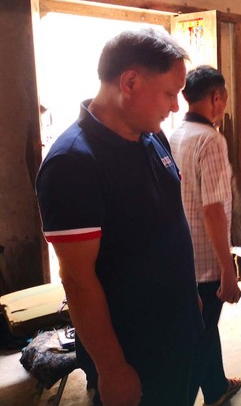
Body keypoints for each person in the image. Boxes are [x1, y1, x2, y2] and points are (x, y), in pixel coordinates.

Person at [36, 28, 203, 406]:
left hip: (178, 332)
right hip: (134, 350)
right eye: (170, 93)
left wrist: (187, 293)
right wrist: (111, 367)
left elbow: (167, 224)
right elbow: (78, 280)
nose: (176, 107)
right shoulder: (73, 163)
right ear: (130, 82)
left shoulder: (152, 137)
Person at [169, 66, 241, 406]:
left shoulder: (175, 134)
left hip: (182, 256)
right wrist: (227, 269)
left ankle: (216, 387)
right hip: (206, 262)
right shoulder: (211, 140)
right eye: (223, 99)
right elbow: (213, 209)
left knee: (203, 328)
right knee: (199, 338)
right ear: (216, 97)